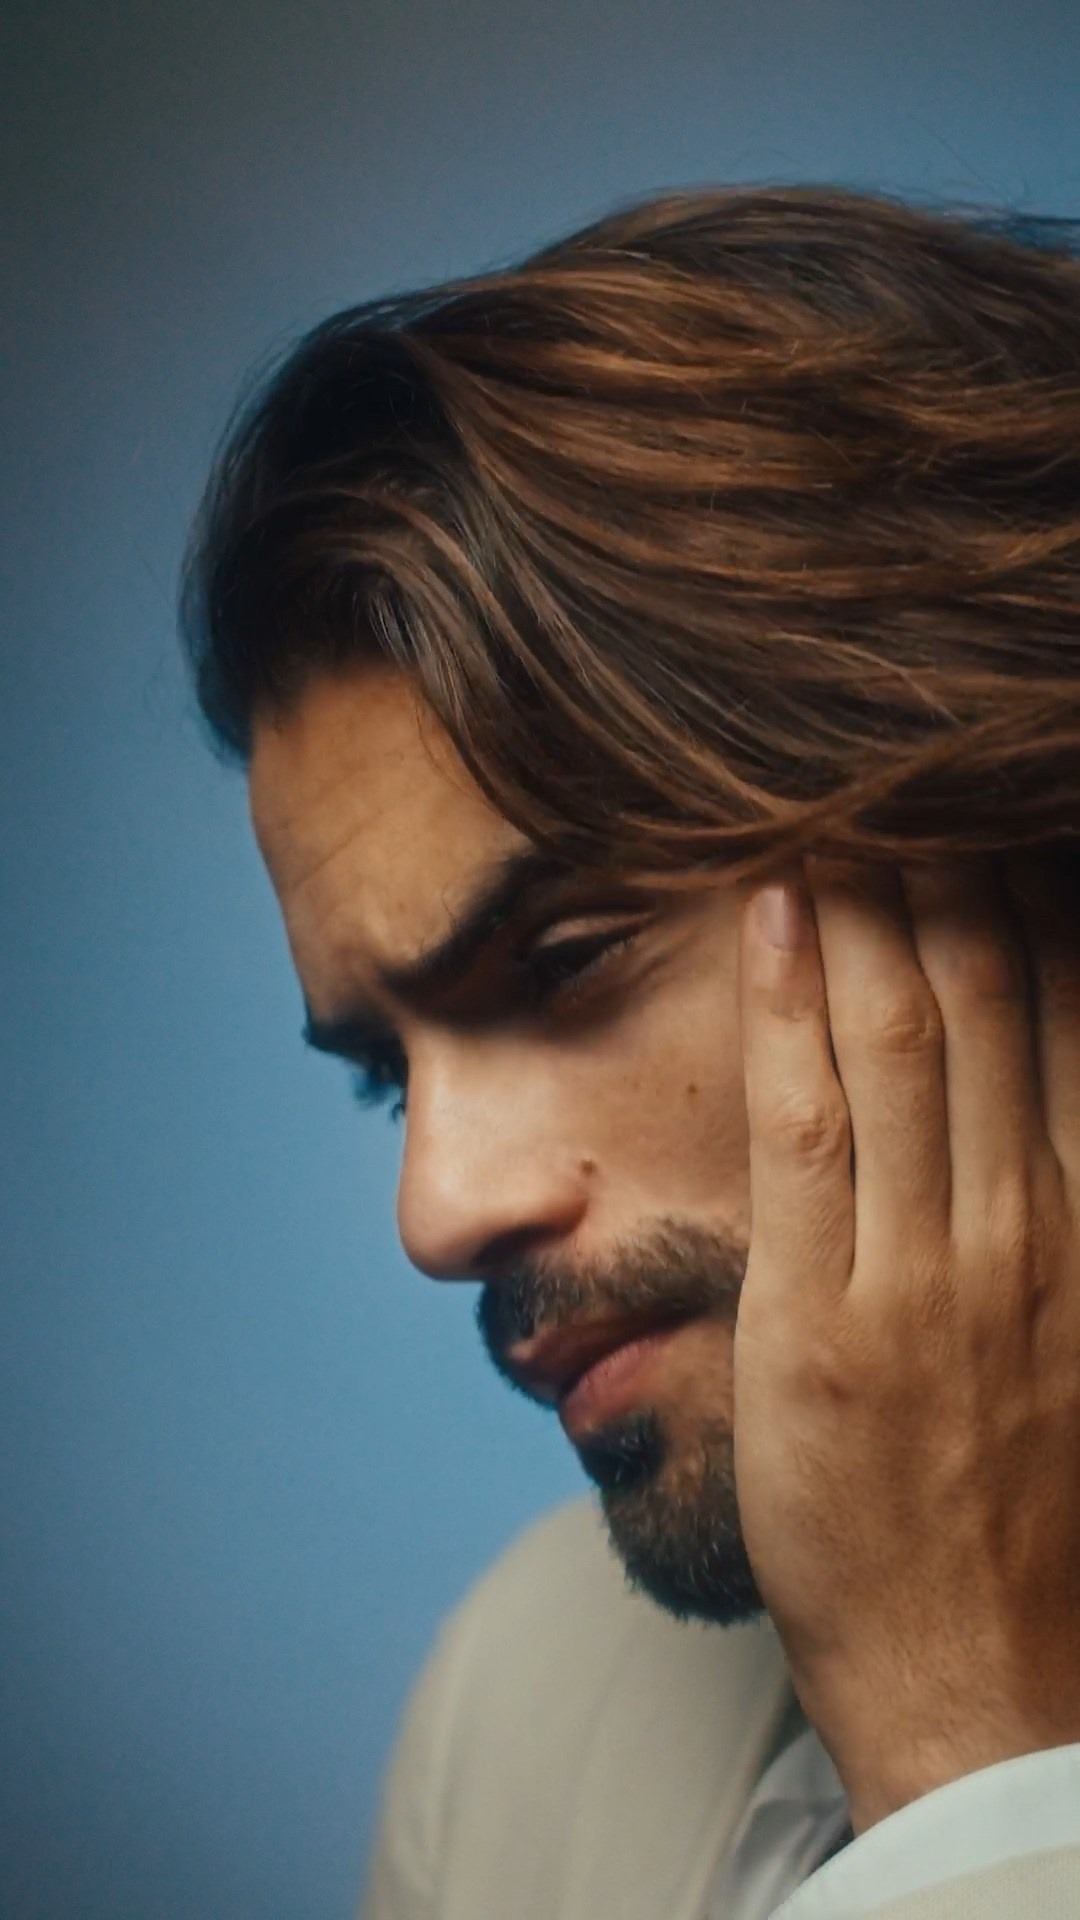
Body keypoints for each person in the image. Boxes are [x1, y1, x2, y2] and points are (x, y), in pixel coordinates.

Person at [178, 183, 1080, 1917]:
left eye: (566, 962)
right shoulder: (521, 1715)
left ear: (1023, 842)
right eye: (389, 1074)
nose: (437, 1210)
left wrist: (967, 1758)